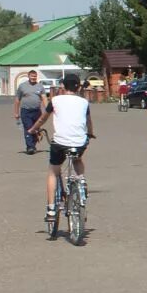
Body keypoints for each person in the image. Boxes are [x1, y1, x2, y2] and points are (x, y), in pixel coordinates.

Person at [31, 74, 94, 222]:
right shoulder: (84, 102)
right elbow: (88, 121)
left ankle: (51, 209)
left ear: (63, 86)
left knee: (53, 171)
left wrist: (33, 129)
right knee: (77, 158)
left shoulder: (55, 100)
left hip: (60, 142)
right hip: (79, 142)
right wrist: (90, 134)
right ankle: (82, 180)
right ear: (78, 87)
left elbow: (43, 118)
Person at [14, 69, 43, 154]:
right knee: (28, 128)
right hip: (26, 111)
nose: (33, 78)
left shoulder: (40, 86)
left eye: (35, 76)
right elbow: (17, 100)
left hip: (37, 111)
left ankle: (33, 145)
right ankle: (30, 147)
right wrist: (16, 112)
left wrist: (48, 109)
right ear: (29, 76)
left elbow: (44, 98)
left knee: (36, 129)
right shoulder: (22, 86)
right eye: (32, 76)